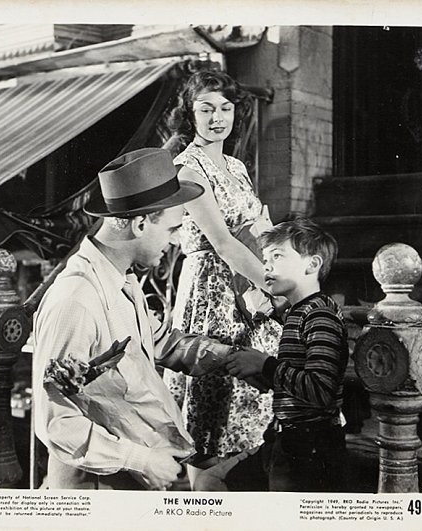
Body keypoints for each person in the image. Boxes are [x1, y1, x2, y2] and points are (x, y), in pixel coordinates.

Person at [32, 148, 250, 490]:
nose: (177, 241)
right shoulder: (76, 301)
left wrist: (233, 358)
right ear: (140, 223)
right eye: (172, 229)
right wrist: (141, 460)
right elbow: (55, 422)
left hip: (131, 484)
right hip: (92, 495)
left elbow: (161, 341)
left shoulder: (123, 280)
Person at [163, 69, 282, 484]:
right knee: (210, 432)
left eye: (226, 108)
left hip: (249, 288)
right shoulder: (187, 169)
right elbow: (223, 243)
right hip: (212, 296)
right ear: (189, 114)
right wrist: (279, 290)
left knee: (250, 419)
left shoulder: (235, 165)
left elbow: (258, 229)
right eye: (206, 108)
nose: (218, 117)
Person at [219, 218, 349, 492]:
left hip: (311, 446)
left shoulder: (319, 315)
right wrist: (264, 372)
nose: (266, 266)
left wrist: (265, 364)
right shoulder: (297, 312)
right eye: (265, 258)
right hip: (287, 439)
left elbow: (320, 388)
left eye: (277, 256)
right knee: (217, 481)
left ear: (312, 265)